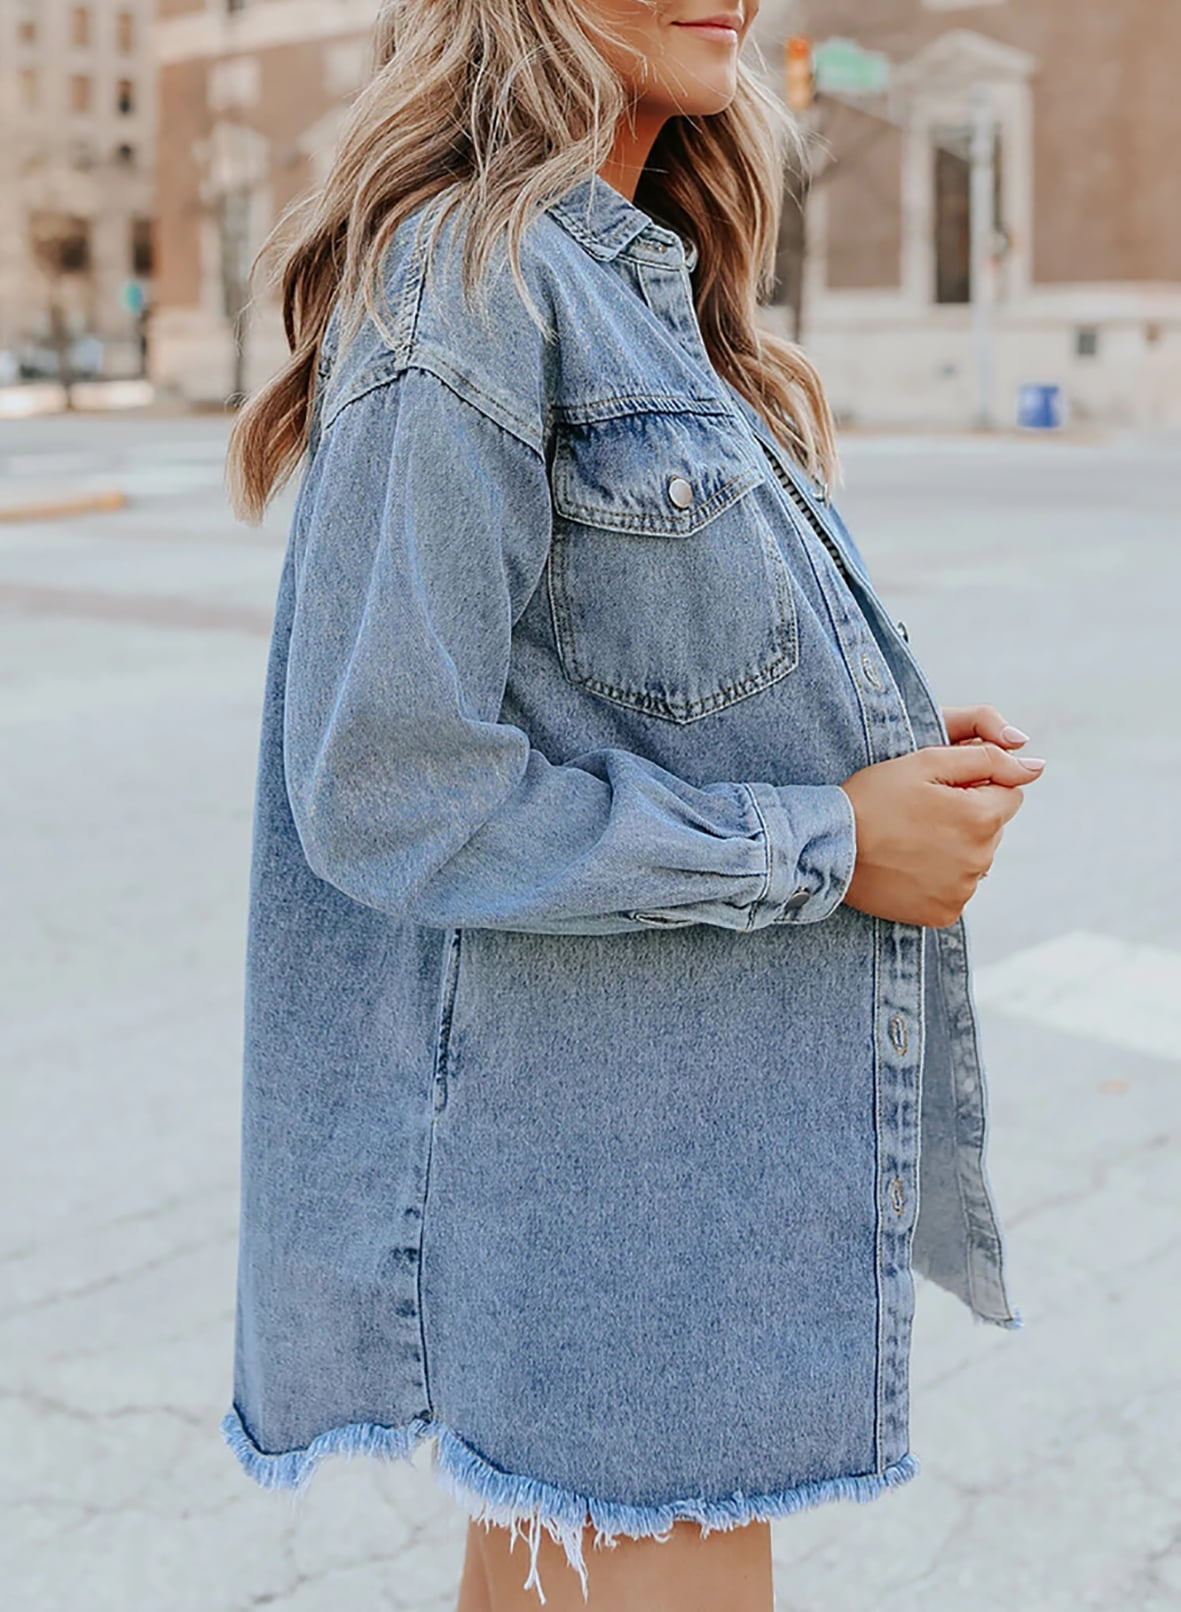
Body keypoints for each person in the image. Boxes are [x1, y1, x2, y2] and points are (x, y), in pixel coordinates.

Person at [221, 3, 1045, 1609]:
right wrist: (830, 842)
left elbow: (627, 690)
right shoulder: (468, 281)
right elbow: (390, 792)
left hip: (660, 1168)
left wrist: (855, 757)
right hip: (599, 1184)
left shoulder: (637, 291)